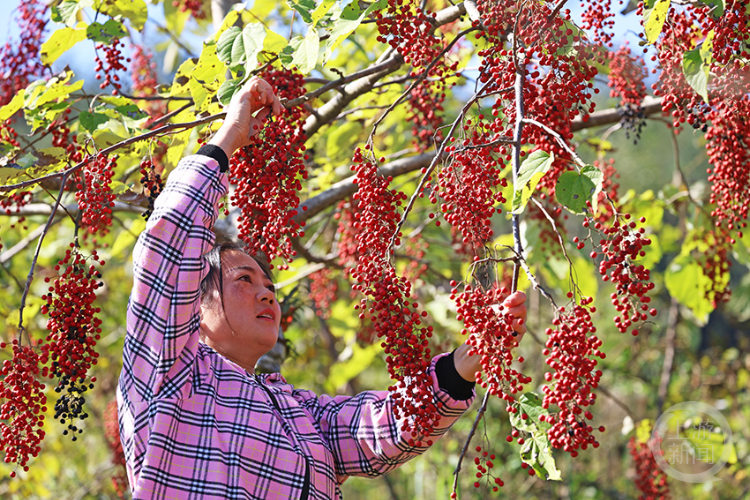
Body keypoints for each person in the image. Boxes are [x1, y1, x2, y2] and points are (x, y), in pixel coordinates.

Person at [117, 77, 528, 500]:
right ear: (194, 309)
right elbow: (168, 243)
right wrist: (230, 137)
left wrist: (467, 359)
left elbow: (385, 425)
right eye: (244, 279)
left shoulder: (298, 411)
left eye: (270, 286)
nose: (267, 295)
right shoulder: (167, 372)